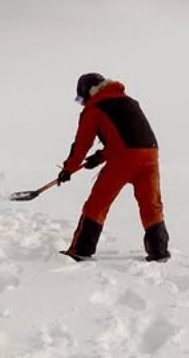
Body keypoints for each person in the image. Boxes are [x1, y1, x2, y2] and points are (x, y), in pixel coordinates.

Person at [57, 73, 170, 262]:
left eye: (81, 99)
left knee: (96, 205)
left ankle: (81, 250)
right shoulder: (130, 102)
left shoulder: (94, 107)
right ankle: (159, 251)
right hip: (150, 157)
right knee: (151, 206)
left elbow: (82, 144)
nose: (82, 103)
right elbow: (128, 137)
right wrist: (100, 157)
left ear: (88, 92)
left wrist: (68, 168)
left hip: (123, 161)